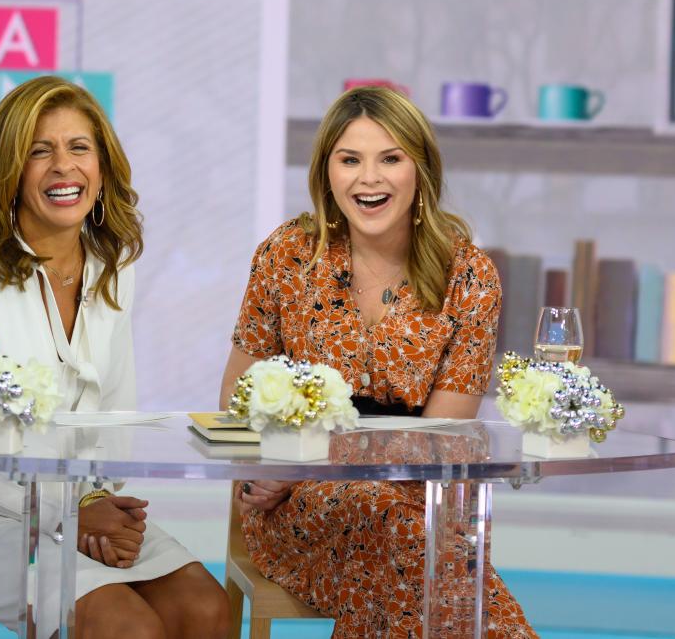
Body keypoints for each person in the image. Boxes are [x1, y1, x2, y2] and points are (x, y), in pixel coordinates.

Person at [0, 76, 228, 639]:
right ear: (10, 173)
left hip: (75, 504)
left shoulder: (112, 267)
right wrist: (60, 513)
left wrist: (94, 503)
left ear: (102, 166)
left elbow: (112, 414)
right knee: (124, 626)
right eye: (39, 151)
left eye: (79, 148)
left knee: (206, 608)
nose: (63, 167)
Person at [219, 86, 535, 638]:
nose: (369, 179)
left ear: (421, 171)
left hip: (420, 500)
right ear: (326, 173)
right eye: (350, 160)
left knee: (401, 538)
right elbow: (235, 400)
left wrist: (314, 456)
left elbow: (442, 440)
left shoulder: (469, 276)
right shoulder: (287, 255)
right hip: (299, 507)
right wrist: (276, 472)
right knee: (411, 547)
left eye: (390, 158)